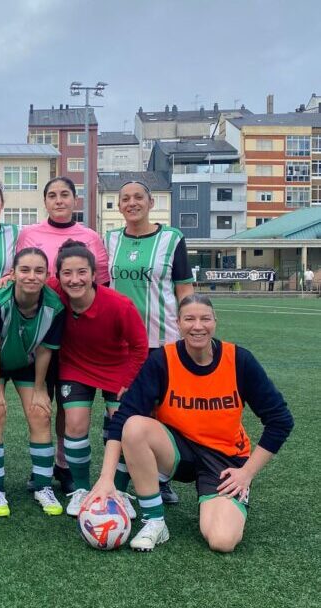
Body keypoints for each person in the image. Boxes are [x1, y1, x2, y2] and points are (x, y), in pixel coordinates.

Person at [86, 294, 294, 552]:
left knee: (222, 541)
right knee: (134, 426)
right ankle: (154, 521)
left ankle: (219, 499)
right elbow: (123, 417)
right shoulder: (163, 360)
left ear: (215, 321)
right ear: (178, 323)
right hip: (177, 450)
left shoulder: (239, 360)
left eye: (205, 319)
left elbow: (281, 420)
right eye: (189, 319)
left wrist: (247, 473)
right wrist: (105, 478)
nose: (198, 326)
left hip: (224, 460)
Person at [13, 176, 109, 493]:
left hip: (75, 335)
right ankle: (40, 467)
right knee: (42, 402)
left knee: (69, 406)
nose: (59, 200)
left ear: (75, 200)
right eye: (52, 195)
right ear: (45, 201)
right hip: (39, 333)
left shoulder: (90, 237)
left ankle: (63, 464)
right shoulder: (29, 234)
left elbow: (102, 286)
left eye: (65, 194)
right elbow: (18, 273)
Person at [105, 179, 194, 504]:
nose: (132, 203)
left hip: (162, 342)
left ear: (151, 202)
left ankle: (159, 478)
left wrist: (190, 329)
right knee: (119, 411)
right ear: (119, 205)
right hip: (121, 345)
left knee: (160, 413)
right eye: (125, 198)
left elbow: (184, 289)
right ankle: (117, 482)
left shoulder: (172, 238)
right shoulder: (110, 239)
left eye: (138, 197)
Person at [50, 240, 148, 517]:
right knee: (74, 423)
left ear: (94, 275)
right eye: (67, 273)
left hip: (117, 368)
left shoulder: (119, 305)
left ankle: (118, 490)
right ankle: (81, 489)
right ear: (58, 277)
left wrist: (128, 381)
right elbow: (27, 281)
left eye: (82, 272)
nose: (74, 279)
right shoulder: (54, 290)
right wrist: (9, 278)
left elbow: (140, 347)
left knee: (122, 427)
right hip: (75, 366)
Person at [0, 247, 65, 517]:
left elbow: (45, 350)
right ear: (13, 273)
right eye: (25, 270)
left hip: (28, 363)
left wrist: (40, 389)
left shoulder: (55, 307)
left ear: (47, 274)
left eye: (39, 271)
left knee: (40, 414)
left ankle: (43, 486)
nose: (31, 276)